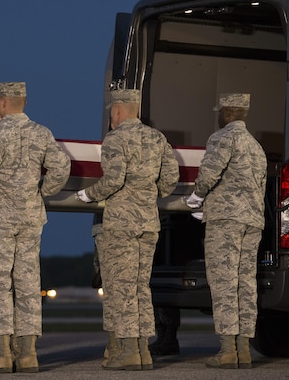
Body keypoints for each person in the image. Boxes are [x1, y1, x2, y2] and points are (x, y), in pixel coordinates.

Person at [0, 82, 70, 373]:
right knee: (29, 284)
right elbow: (62, 166)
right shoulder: (42, 133)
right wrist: (43, 191)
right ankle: (30, 354)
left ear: (2, 103)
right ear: (24, 102)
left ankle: (3, 356)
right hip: (31, 218)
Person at [76, 89, 179, 371]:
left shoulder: (115, 138)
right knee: (140, 287)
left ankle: (129, 351)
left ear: (119, 111)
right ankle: (144, 350)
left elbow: (114, 178)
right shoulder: (157, 138)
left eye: (112, 113)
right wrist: (149, 193)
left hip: (121, 222)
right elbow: (171, 179)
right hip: (148, 221)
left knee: (121, 289)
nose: (111, 119)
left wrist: (89, 194)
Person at [185, 93, 266, 369]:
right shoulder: (256, 146)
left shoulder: (222, 137)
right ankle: (244, 349)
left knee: (224, 283)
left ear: (227, 113)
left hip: (226, 221)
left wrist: (197, 197)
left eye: (220, 111)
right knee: (246, 283)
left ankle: (227, 350)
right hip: (252, 221)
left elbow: (209, 172)